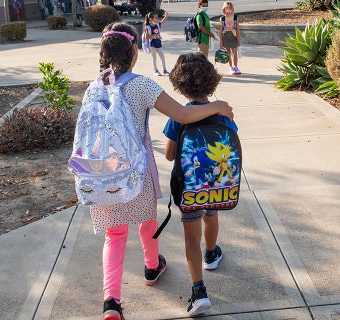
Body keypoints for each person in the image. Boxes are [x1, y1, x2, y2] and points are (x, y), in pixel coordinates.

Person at [89, 22, 233, 320]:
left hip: (103, 171)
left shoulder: (93, 87)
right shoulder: (141, 84)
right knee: (146, 220)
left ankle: (111, 302)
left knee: (114, 236)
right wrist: (217, 105)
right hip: (136, 171)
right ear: (133, 51)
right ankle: (152, 266)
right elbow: (182, 113)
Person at [163, 52, 238, 317]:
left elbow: (170, 154)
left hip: (189, 187)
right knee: (211, 215)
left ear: (180, 85)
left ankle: (199, 291)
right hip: (217, 185)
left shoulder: (178, 117)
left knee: (190, 236)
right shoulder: (224, 113)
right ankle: (211, 255)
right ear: (211, 81)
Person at [143, 10, 169, 76]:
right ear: (151, 19)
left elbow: (163, 21)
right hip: (152, 45)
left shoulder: (157, 24)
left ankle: (164, 70)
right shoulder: (148, 27)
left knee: (162, 57)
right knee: (154, 58)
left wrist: (166, 16)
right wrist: (154, 36)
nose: (157, 19)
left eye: (157, 17)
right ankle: (156, 70)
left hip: (158, 44)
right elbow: (146, 37)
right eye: (156, 18)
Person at [220, 1, 241, 75]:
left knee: (234, 52)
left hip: (233, 36)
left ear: (232, 9)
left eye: (229, 8)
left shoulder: (235, 18)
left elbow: (238, 29)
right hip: (226, 37)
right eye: (226, 8)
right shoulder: (222, 19)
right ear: (224, 9)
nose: (228, 10)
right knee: (228, 53)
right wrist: (221, 42)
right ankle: (231, 67)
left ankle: (236, 66)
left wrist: (238, 39)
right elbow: (221, 31)